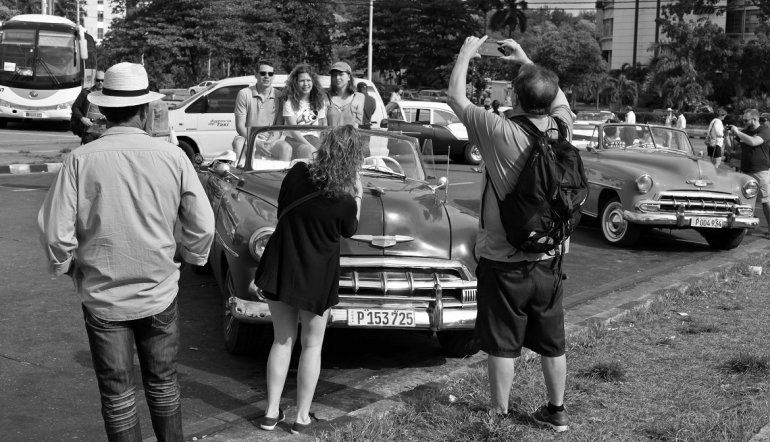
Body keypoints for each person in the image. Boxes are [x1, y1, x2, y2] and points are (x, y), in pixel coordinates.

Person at [37, 62, 216, 442]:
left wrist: (68, 265)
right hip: (159, 290)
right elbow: (204, 225)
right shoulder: (173, 157)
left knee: (118, 396)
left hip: (103, 297)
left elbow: (56, 233)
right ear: (147, 109)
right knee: (164, 386)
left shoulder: (80, 160)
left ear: (103, 110)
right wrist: (190, 255)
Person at [447, 36, 572, 432]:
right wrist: (525, 60)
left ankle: (499, 412)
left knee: (502, 340)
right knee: (552, 338)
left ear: (515, 98)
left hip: (503, 258)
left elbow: (455, 98)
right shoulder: (561, 126)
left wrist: (466, 52)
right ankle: (556, 411)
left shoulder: (499, 130)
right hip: (549, 256)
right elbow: (554, 94)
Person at [254, 125, 364, 434]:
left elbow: (280, 212)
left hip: (282, 265)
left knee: (281, 340)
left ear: (325, 146)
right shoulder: (345, 201)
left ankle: (271, 413)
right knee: (311, 345)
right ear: (354, 160)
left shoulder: (296, 172)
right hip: (316, 274)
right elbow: (350, 230)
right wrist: (358, 190)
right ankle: (301, 418)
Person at [234, 60, 291, 160]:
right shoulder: (244, 93)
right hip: (248, 138)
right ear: (256, 74)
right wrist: (255, 142)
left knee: (286, 148)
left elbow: (278, 128)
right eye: (263, 73)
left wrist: (268, 143)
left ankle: (281, 176)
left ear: (273, 76)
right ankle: (241, 174)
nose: (266, 76)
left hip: (270, 140)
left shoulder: (280, 96)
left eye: (270, 73)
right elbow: (240, 126)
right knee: (238, 143)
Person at [730, 108, 770, 239]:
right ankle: (745, 227)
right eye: (743, 120)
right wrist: (728, 135)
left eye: (746, 120)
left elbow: (754, 142)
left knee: (766, 202)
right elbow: (733, 146)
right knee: (745, 200)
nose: (744, 122)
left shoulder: (765, 130)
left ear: (755, 119)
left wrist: (737, 132)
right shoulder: (745, 132)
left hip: (761, 171)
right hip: (746, 170)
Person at [279, 64, 328, 159]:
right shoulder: (289, 101)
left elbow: (322, 125)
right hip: (294, 140)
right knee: (306, 150)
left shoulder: (320, 100)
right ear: (295, 83)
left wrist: (323, 145)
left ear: (313, 82)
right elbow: (293, 131)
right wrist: (311, 147)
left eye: (308, 80)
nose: (306, 84)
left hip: (314, 139)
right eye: (302, 81)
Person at [70, 70, 106, 144]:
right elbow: (75, 107)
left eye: (102, 80)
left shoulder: (109, 94)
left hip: (104, 132)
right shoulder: (85, 93)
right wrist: (83, 119)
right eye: (98, 80)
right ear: (94, 80)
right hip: (89, 132)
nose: (100, 82)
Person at [326, 61, 365, 128]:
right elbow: (322, 124)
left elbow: (357, 125)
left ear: (349, 77)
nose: (337, 78)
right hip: (330, 138)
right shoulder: (325, 97)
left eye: (341, 74)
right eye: (334, 75)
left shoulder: (359, 97)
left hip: (351, 138)